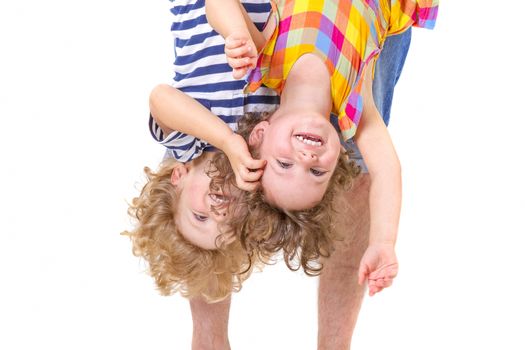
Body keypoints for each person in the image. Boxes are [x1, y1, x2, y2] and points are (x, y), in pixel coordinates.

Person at [205, 0, 438, 283]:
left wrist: (235, 33)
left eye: (284, 164)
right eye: (316, 173)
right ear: (337, 159)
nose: (305, 159)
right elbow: (386, 170)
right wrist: (382, 242)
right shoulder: (354, 104)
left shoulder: (266, 63)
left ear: (260, 134)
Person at [123, 0, 279, 304]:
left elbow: (160, 98)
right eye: (228, 227)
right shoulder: (260, 150)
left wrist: (226, 140)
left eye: (200, 217)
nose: (218, 215)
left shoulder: (188, 147)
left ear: (178, 178)